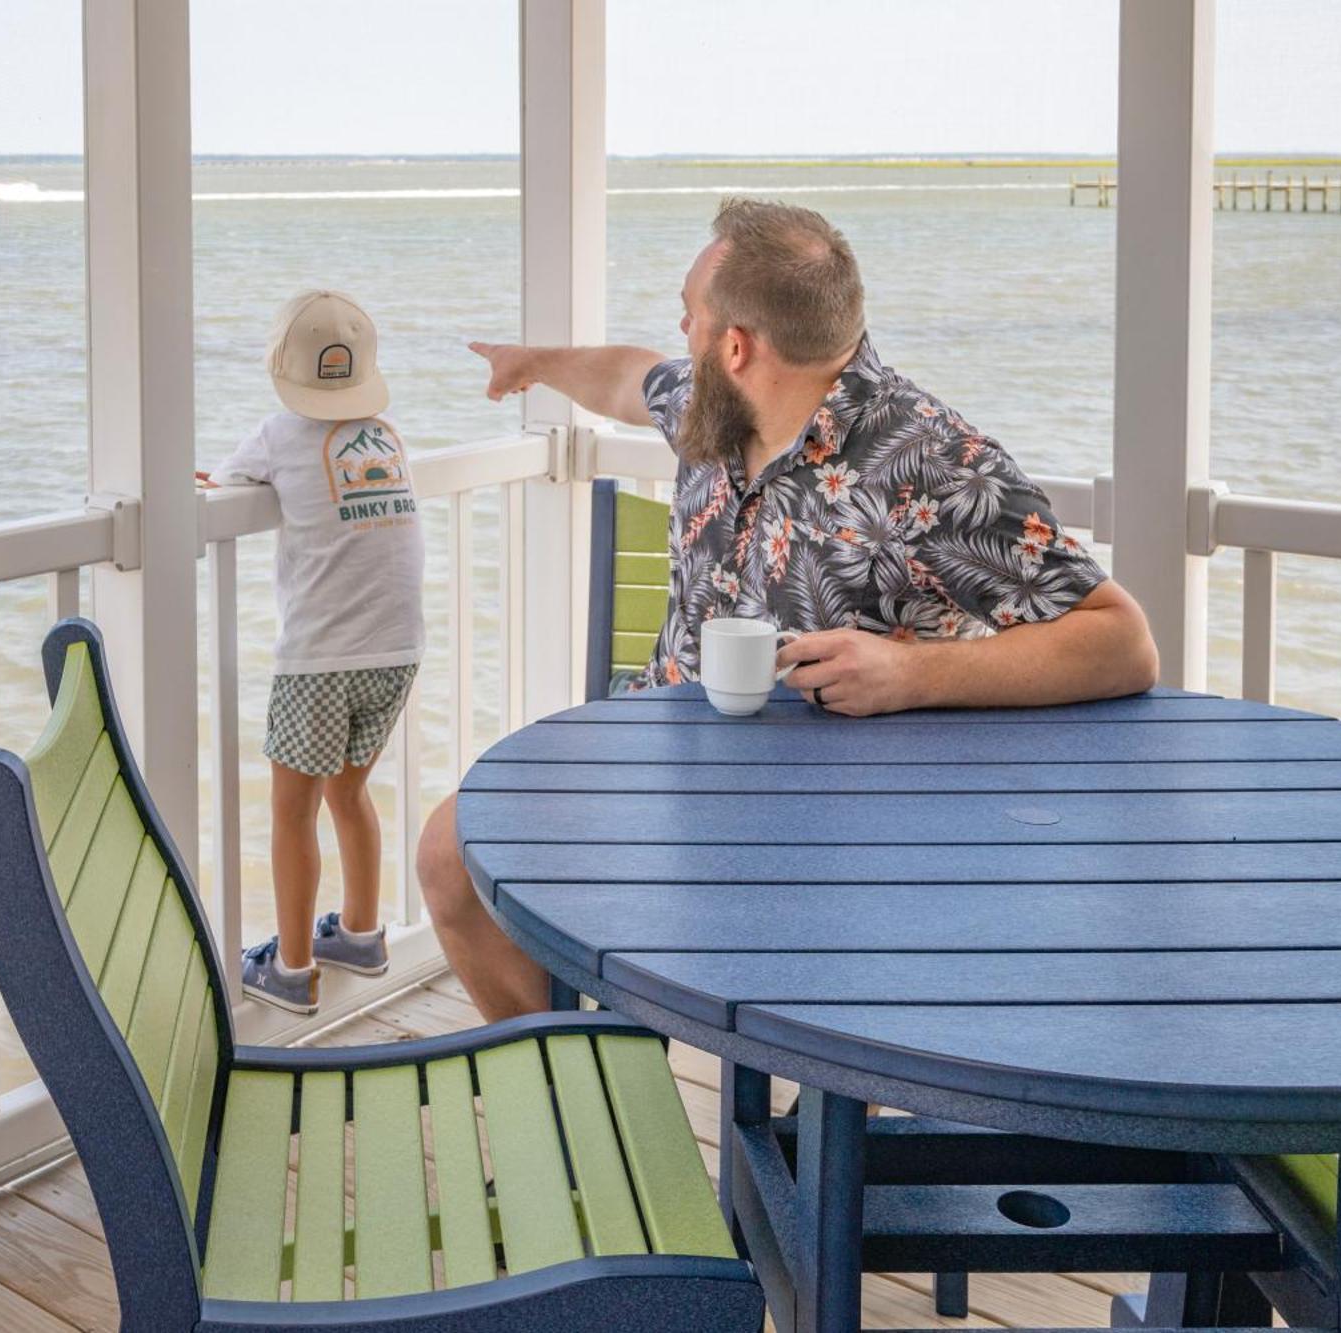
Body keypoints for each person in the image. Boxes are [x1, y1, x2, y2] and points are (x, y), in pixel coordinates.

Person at [421, 197, 1160, 1021]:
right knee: (450, 854)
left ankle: (788, 1115)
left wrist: (912, 672)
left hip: (825, 831)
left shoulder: (932, 464)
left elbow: (1121, 642)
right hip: (652, 761)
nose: (681, 335)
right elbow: (630, 377)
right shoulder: (712, 410)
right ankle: (589, 1095)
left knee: (820, 978)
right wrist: (535, 361)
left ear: (735, 346)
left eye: (690, 318)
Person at [198, 290, 425, 1014]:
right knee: (349, 792)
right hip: (397, 649)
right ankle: (360, 932)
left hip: (320, 660)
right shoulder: (386, 434)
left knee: (292, 811)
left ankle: (291, 970)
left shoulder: (276, 434)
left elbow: (231, 476)